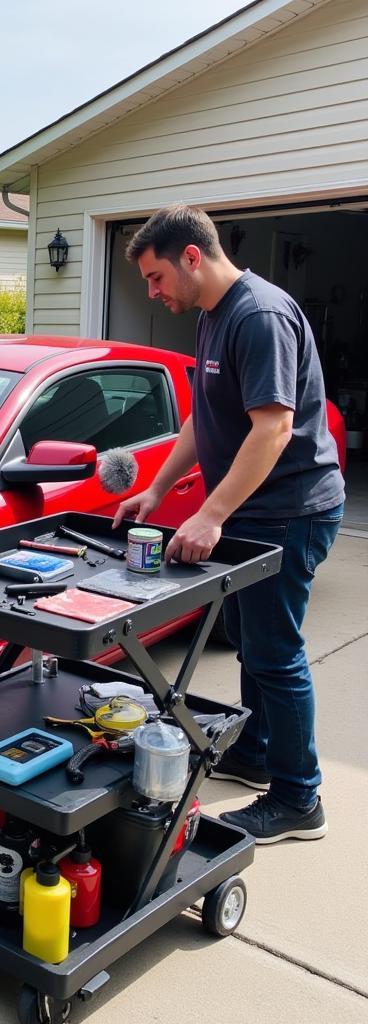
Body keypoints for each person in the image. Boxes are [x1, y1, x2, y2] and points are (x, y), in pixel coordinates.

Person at [114, 204, 344, 844]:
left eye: (156, 278)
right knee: (250, 639)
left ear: (192, 256)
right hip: (254, 513)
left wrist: (212, 513)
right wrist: (158, 490)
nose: (154, 295)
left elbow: (272, 428)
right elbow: (204, 419)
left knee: (277, 655)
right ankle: (254, 752)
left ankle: (300, 799)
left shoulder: (258, 315)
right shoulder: (214, 316)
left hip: (290, 512)